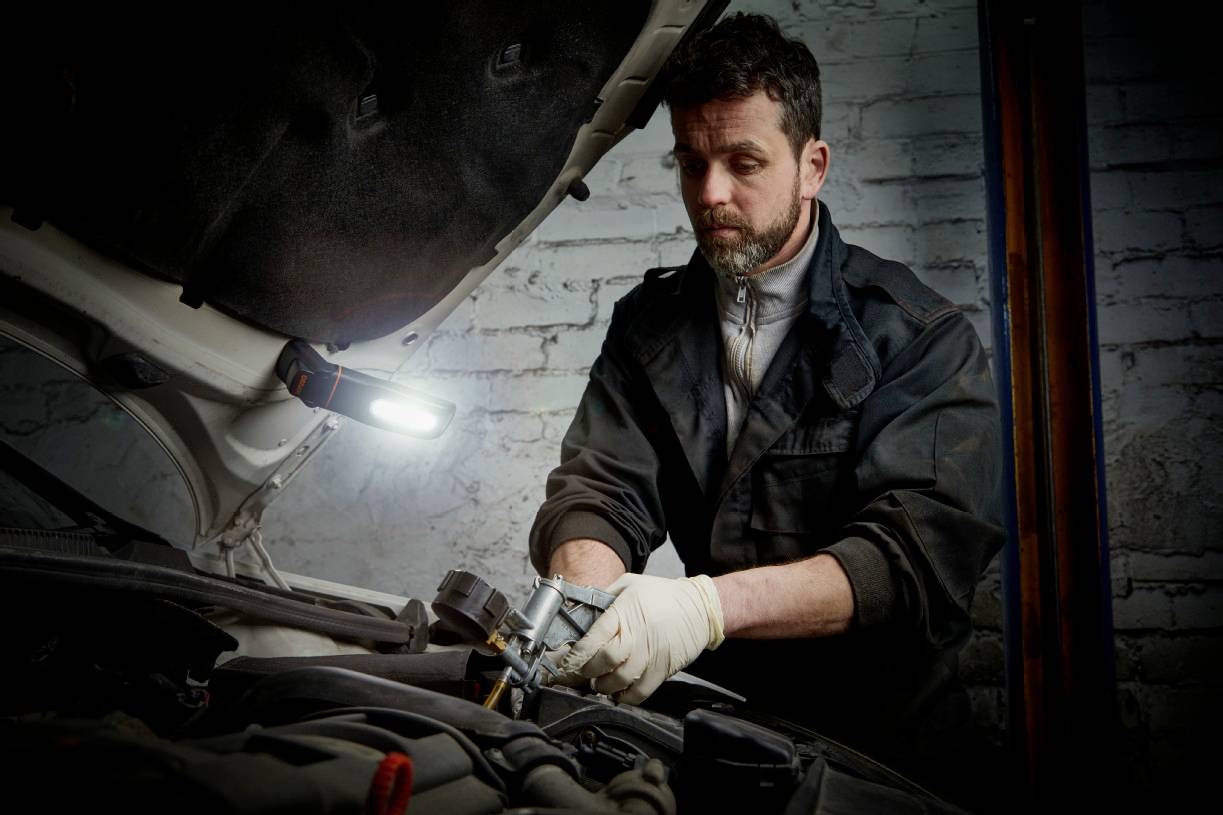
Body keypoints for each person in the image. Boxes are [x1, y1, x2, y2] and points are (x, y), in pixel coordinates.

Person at [527, 12, 1004, 808]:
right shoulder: (648, 329)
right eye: (691, 162)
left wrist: (705, 607)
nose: (710, 194)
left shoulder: (919, 337)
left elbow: (909, 560)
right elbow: (600, 490)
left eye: (743, 162)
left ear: (812, 166)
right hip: (721, 734)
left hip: (884, 753)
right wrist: (587, 603)